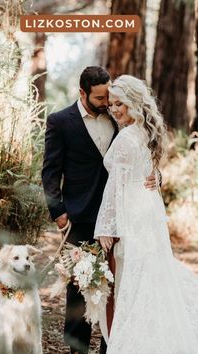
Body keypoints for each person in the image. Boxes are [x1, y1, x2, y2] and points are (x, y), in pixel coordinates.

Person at [42, 67, 157, 354]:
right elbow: (50, 171)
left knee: (117, 289)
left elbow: (143, 158)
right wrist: (58, 212)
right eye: (100, 97)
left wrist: (157, 178)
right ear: (82, 93)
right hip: (80, 218)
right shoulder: (60, 122)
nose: (108, 103)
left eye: (110, 96)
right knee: (80, 292)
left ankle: (112, 347)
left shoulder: (121, 116)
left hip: (123, 217)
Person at [94, 75, 198, 354]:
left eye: (120, 104)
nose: (115, 110)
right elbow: (146, 171)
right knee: (145, 274)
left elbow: (113, 186)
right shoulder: (145, 132)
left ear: (134, 103)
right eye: (112, 105)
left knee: (131, 276)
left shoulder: (127, 137)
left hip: (132, 212)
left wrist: (105, 226)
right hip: (147, 208)